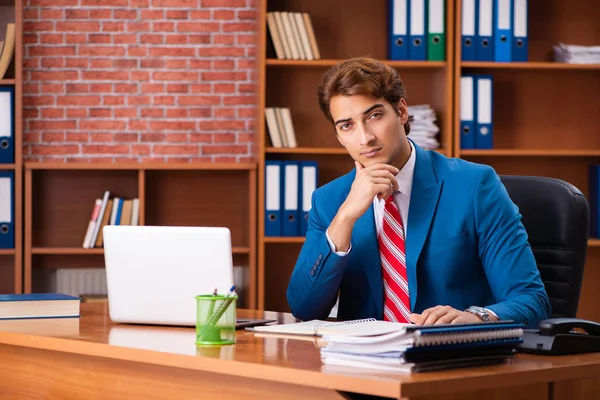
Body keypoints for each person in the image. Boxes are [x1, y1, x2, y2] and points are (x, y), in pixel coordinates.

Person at [286, 57, 551, 327]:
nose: (365, 137)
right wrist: (345, 218)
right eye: (347, 125)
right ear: (339, 136)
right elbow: (304, 308)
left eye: (374, 116)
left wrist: (475, 316)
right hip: (364, 363)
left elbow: (531, 299)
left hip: (451, 358)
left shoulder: (475, 185)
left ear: (401, 112)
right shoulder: (329, 200)